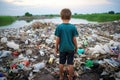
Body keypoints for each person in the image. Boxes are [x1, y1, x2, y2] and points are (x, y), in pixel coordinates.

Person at [54, 8, 79, 80]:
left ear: (61, 17)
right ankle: (70, 77)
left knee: (61, 63)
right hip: (71, 48)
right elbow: (74, 39)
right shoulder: (73, 27)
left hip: (62, 48)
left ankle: (61, 76)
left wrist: (56, 48)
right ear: (70, 17)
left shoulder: (59, 27)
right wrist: (76, 47)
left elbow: (58, 39)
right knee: (70, 63)